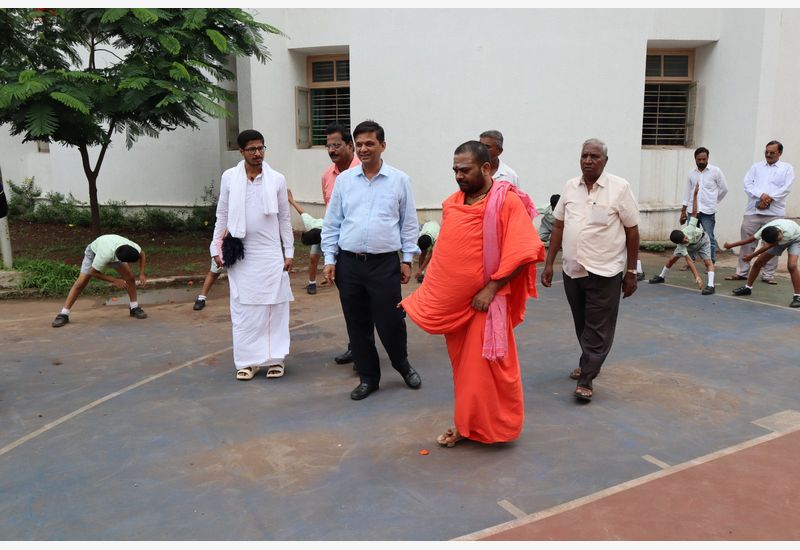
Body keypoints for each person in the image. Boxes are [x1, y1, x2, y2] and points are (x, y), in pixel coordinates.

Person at [401, 140, 544, 448]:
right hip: (459, 308)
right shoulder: (453, 203)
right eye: (455, 170)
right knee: (465, 374)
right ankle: (466, 425)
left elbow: (525, 251)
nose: (459, 176)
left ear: (486, 168)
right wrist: (429, 296)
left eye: (465, 170)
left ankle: (497, 428)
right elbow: (445, 255)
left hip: (487, 305)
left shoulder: (506, 202)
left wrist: (491, 289)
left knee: (490, 371)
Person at [321, 119, 421, 400]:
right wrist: (330, 259)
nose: (364, 149)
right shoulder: (344, 181)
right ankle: (369, 377)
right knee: (357, 322)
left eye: (370, 143)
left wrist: (407, 259)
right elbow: (333, 223)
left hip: (384, 264)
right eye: (360, 144)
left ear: (382, 146)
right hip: (349, 264)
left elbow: (408, 223)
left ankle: (402, 364)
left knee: (391, 321)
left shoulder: (399, 180)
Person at [541, 138, 640, 402]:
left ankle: (587, 378)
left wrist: (631, 271)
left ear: (604, 161)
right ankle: (588, 361)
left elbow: (632, 231)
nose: (588, 160)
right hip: (573, 270)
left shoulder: (620, 188)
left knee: (598, 326)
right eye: (584, 155)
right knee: (582, 323)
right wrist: (550, 263)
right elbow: (559, 226)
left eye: (594, 156)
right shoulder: (570, 187)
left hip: (606, 271)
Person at [211, 129, 294, 381]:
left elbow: (285, 218)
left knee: (274, 308)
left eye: (261, 148)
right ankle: (247, 361)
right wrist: (215, 247)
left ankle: (274, 359)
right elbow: (222, 215)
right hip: (241, 253)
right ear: (241, 151)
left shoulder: (277, 179)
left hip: (269, 253)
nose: (258, 153)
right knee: (243, 309)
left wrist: (288, 250)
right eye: (252, 149)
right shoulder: (229, 178)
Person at [726, 140, 794, 284]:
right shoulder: (756, 167)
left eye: (772, 152)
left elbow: (786, 188)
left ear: (779, 153)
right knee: (747, 242)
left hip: (775, 213)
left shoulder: (787, 168)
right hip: (753, 210)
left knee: (772, 244)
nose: (768, 155)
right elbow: (747, 184)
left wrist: (769, 199)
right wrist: (761, 195)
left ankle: (768, 274)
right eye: (766, 152)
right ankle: (742, 272)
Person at [322, 122, 361, 365]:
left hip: (366, 252)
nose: (332, 150)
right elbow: (330, 218)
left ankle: (365, 351)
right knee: (350, 304)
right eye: (328, 146)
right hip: (340, 252)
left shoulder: (365, 171)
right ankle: (356, 347)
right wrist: (329, 254)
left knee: (371, 307)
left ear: (350, 146)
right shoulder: (328, 176)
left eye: (336, 145)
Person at [51, 234, 147, 327]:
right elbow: (93, 272)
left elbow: (142, 254)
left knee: (130, 278)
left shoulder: (133, 247)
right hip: (94, 253)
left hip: (113, 248)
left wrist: (142, 273)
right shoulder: (105, 255)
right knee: (81, 283)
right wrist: (114, 280)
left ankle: (134, 308)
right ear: (121, 259)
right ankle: (64, 314)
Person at [649, 184, 715, 295]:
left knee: (708, 262)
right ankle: (661, 276)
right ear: (680, 243)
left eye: (685, 238)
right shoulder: (682, 246)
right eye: (683, 241)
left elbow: (694, 212)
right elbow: (689, 261)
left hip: (703, 241)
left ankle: (711, 286)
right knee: (672, 259)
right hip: (691, 247)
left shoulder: (690, 228)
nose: (686, 240)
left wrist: (695, 195)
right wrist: (697, 277)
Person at [723, 219, 800, 308]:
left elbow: (769, 246)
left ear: (779, 231)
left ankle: (798, 297)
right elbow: (749, 239)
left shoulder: (786, 233)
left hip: (796, 239)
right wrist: (731, 245)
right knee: (758, 263)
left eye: (778, 238)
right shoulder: (765, 231)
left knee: (792, 266)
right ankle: (748, 288)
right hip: (775, 240)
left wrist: (752, 255)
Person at [678, 147, 728, 264]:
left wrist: (714, 201)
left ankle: (711, 262)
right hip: (692, 210)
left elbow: (724, 189)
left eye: (703, 159)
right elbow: (687, 192)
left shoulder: (716, 171)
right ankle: (690, 261)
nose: (701, 162)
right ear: (695, 159)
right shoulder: (691, 173)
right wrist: (683, 210)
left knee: (709, 237)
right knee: (689, 237)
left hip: (708, 211)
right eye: (699, 159)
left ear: (707, 158)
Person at [286, 188, 323, 295]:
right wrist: (291, 200)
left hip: (332, 238)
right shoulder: (310, 224)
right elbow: (302, 211)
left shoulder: (333, 233)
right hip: (319, 235)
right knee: (313, 258)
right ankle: (312, 283)